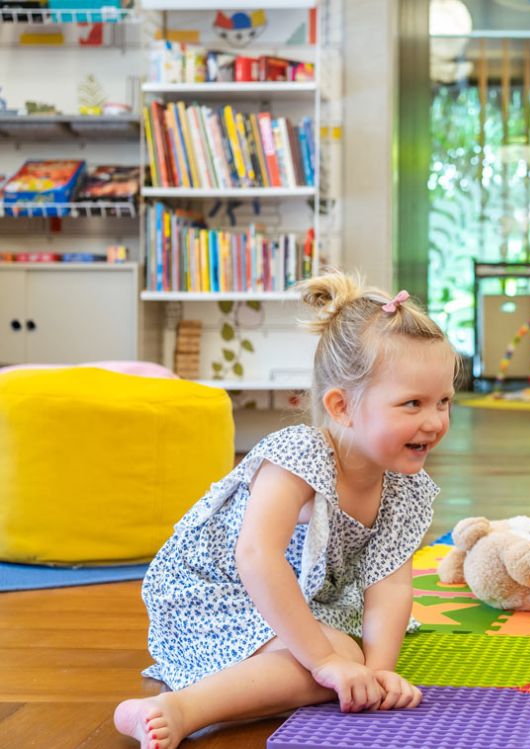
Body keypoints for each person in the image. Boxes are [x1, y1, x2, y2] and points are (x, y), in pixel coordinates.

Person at [114, 272, 457, 749]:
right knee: (333, 656)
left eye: (444, 401)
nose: (435, 421)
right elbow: (256, 556)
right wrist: (328, 662)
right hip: (209, 594)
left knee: (346, 660)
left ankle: (308, 666)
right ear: (341, 406)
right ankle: (179, 709)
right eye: (413, 403)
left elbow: (391, 586)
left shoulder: (404, 485)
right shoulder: (298, 456)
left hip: (292, 598)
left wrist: (376, 675)